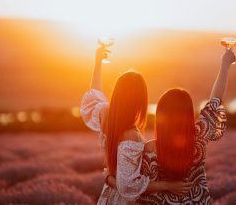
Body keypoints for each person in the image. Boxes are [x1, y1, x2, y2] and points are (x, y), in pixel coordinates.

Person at [80, 46, 191, 204]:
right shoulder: (131, 136)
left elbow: (94, 94)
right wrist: (168, 186)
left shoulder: (105, 114)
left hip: (108, 196)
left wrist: (98, 62)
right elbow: (127, 187)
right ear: (139, 101)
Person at [137, 49, 236, 204]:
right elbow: (215, 100)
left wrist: (109, 177)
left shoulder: (149, 149)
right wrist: (225, 65)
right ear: (188, 114)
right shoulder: (199, 136)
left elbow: (138, 187)